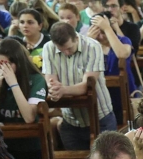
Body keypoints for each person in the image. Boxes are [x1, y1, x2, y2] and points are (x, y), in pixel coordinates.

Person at [41, 21, 115, 150]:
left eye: (69, 48)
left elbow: (87, 85)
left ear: (76, 37)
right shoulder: (48, 48)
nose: (66, 53)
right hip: (70, 119)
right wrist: (53, 88)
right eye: (61, 50)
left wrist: (63, 90)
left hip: (100, 117)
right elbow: (50, 79)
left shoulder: (92, 46)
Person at [0, 39, 47, 159]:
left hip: (32, 146)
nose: (2, 69)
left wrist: (14, 83)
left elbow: (29, 117)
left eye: (6, 64)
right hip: (5, 147)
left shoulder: (36, 79)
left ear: (18, 62)